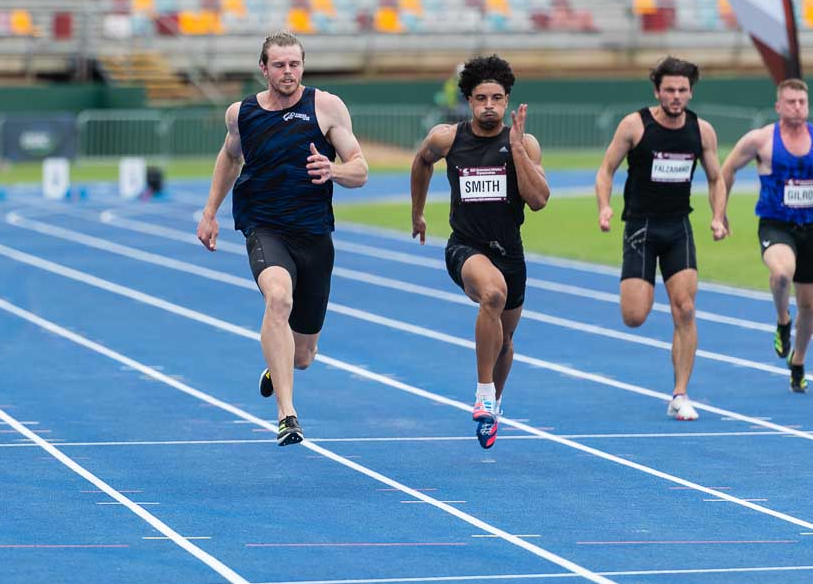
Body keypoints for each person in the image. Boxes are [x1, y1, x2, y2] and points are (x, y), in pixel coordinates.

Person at [195, 32, 368, 446]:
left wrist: (333, 170)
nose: (287, 72)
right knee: (278, 298)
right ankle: (287, 415)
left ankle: (280, 366)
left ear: (302, 66)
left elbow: (359, 169)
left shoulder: (325, 106)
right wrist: (209, 213)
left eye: (294, 64)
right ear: (263, 68)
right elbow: (229, 156)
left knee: (303, 355)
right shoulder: (242, 113)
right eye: (279, 65)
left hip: (313, 232)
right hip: (263, 225)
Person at [409, 55, 549, 448]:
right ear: (469, 101)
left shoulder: (525, 144)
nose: (489, 105)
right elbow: (422, 162)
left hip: (510, 252)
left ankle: (494, 405)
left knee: (504, 340)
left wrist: (518, 149)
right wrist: (418, 213)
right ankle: (483, 392)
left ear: (507, 102)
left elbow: (538, 201)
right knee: (492, 293)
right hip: (465, 248)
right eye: (481, 97)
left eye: (497, 98)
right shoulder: (447, 138)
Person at [595, 56, 727, 421]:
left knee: (685, 307)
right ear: (657, 90)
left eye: (682, 90)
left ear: (690, 92)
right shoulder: (634, 126)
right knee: (635, 316)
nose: (676, 96)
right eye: (669, 89)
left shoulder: (702, 131)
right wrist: (604, 207)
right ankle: (640, 285)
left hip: (678, 227)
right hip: (640, 226)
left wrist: (718, 216)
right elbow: (606, 169)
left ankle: (680, 394)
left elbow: (716, 178)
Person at [719, 79, 813, 392]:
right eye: (791, 101)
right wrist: (719, 213)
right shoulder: (761, 139)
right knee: (781, 275)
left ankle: (799, 361)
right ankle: (782, 320)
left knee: (810, 305)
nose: (797, 107)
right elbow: (726, 171)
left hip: (811, 229)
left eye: (802, 102)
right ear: (778, 106)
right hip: (775, 224)